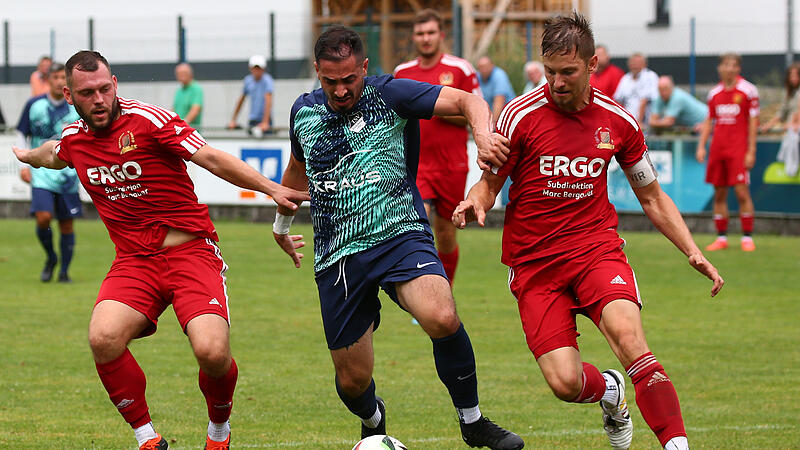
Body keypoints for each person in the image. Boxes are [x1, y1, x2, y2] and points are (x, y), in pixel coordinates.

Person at [453, 12, 724, 450]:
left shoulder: (619, 121)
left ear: (592, 64)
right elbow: (489, 183)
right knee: (565, 382)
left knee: (631, 341)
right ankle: (611, 392)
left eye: (568, 72)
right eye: (550, 71)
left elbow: (652, 196)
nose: (557, 82)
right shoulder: (519, 116)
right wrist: (475, 201)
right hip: (535, 263)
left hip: (595, 250)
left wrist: (691, 249)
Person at [13, 50, 309, 450]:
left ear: (115, 84)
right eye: (88, 93)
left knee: (212, 351)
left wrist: (271, 187)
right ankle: (147, 439)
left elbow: (210, 157)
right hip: (134, 262)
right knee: (103, 338)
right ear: (69, 95)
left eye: (104, 89)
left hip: (191, 253)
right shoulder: (75, 140)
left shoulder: (148, 121)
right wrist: (28, 156)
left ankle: (218, 432)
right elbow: (53, 153)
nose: (99, 99)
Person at [273, 25, 523, 450]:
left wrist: (481, 134)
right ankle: (374, 418)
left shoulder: (390, 94)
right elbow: (297, 172)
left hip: (399, 234)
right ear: (317, 71)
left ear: (364, 69)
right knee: (353, 380)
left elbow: (467, 100)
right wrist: (281, 226)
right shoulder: (303, 113)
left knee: (441, 315)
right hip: (338, 254)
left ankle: (472, 421)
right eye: (330, 81)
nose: (340, 90)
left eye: (349, 79)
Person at [393, 8, 482, 285]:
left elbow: (475, 113)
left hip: (451, 165)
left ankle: (445, 290)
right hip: (416, 165)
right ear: (414, 38)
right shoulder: (402, 72)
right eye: (420, 33)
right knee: (417, 229)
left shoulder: (461, 69)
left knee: (445, 233)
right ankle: (423, 294)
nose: (426, 38)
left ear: (441, 35)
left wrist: (435, 109)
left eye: (431, 32)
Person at [17, 62, 81, 283]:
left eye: (63, 77)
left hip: (68, 174)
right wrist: (22, 165)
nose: (59, 81)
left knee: (66, 223)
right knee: (43, 218)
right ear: (48, 80)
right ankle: (51, 257)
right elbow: (21, 133)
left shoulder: (77, 107)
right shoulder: (34, 105)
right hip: (41, 171)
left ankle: (64, 271)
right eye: (55, 77)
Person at [696, 53, 760, 252]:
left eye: (733, 65)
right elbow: (709, 121)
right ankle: (721, 237)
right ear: (720, 68)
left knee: (741, 192)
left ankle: (747, 238)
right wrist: (701, 145)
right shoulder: (714, 93)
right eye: (726, 65)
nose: (729, 68)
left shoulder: (748, 91)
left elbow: (753, 121)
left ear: (738, 68)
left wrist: (751, 150)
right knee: (719, 193)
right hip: (718, 150)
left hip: (738, 149)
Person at [228, 55, 274, 137]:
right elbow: (241, 100)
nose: (257, 71)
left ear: (263, 69)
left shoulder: (267, 80)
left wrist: (265, 122)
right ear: (250, 68)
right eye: (255, 68)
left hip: (265, 121)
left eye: (259, 68)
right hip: (252, 120)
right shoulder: (248, 80)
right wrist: (233, 120)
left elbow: (268, 101)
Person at [613, 53, 658, 127]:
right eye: (632, 63)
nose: (635, 65)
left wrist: (639, 122)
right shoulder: (625, 78)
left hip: (645, 123)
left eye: (638, 63)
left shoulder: (650, 76)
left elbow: (644, 100)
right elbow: (618, 101)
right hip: (628, 122)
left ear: (644, 64)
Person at [759, 62, 800, 132]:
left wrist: (795, 123)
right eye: (791, 76)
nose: (793, 78)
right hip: (791, 132)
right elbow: (782, 112)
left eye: (796, 75)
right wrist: (769, 124)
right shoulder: (788, 93)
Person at [476, 56, 515, 123]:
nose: (484, 70)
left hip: (506, 117)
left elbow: (499, 102)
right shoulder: (477, 76)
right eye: (481, 67)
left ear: (492, 66)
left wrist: (492, 125)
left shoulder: (499, 75)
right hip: (489, 116)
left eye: (486, 66)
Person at [173, 62, 203, 130]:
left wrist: (182, 125)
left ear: (190, 74)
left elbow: (195, 109)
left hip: (190, 133)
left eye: (184, 73)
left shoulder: (196, 89)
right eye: (179, 74)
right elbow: (174, 110)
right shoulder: (179, 91)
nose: (181, 76)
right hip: (178, 132)